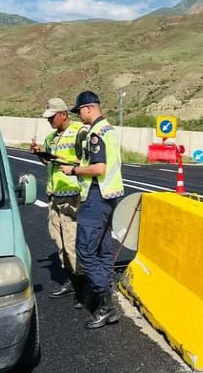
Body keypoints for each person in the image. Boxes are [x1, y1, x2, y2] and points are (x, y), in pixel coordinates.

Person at [60, 91, 124, 330]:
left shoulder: (96, 133)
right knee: (104, 249)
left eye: (80, 112)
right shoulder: (109, 130)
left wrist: (74, 171)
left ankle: (107, 306)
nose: (80, 116)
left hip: (96, 197)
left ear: (88, 108)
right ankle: (102, 297)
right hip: (110, 197)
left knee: (86, 252)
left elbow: (98, 167)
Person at [30, 98, 90, 308]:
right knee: (59, 241)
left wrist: (64, 162)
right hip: (54, 195)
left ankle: (84, 290)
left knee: (72, 242)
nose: (50, 122)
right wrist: (40, 154)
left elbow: (89, 162)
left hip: (72, 196)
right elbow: (48, 161)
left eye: (52, 117)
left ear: (64, 114)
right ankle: (71, 281)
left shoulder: (80, 132)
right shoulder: (50, 137)